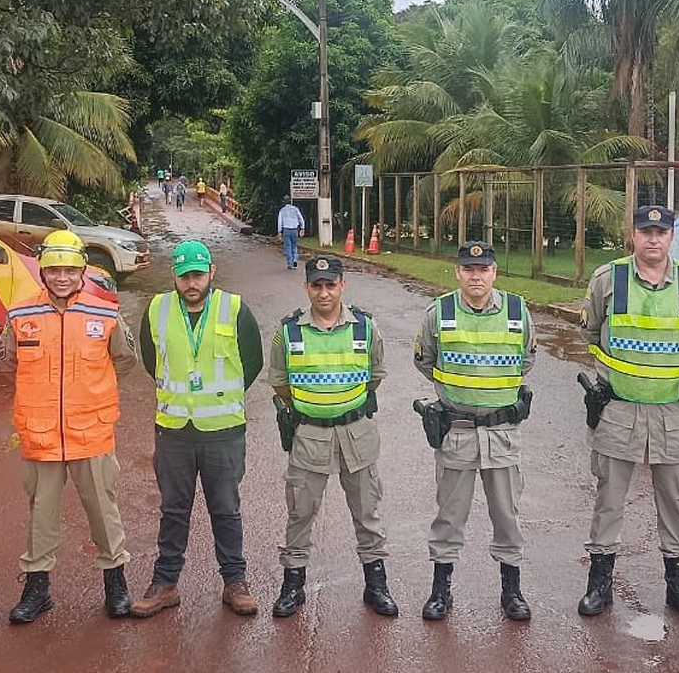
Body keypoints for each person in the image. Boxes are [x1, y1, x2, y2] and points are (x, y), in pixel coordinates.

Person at [577, 205, 679, 621]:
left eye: (661, 231)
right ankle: (599, 584)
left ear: (672, 236)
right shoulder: (608, 279)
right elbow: (588, 331)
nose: (653, 238)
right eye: (645, 231)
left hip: (674, 412)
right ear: (632, 235)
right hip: (619, 409)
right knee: (609, 500)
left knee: (675, 501)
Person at [0, 230, 139, 623]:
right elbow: (9, 364)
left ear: (82, 270)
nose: (62, 277)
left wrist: (92, 392)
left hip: (91, 433)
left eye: (70, 270)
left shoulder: (105, 313)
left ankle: (116, 584)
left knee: (103, 512)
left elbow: (124, 360)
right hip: (40, 434)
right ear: (43, 272)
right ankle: (37, 589)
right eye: (54, 270)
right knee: (41, 514)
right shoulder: (20, 316)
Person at [130, 240, 265, 618]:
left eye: (198, 275)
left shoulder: (234, 309)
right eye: (185, 275)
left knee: (226, 510)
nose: (192, 283)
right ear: (174, 275)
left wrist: (219, 397)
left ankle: (235, 582)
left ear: (211, 273)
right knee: (174, 510)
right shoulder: (157, 309)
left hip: (222, 431)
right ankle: (165, 583)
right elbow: (152, 360)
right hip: (174, 430)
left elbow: (251, 363)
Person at [270, 255, 398, 619]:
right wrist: (314, 407)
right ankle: (293, 585)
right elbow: (280, 381)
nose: (324, 292)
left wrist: (344, 404)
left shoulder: (366, 328)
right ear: (307, 287)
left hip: (357, 434)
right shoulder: (289, 331)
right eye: (317, 285)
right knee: (300, 513)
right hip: (309, 435)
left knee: (367, 513)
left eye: (331, 284)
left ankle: (376, 585)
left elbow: (377, 373)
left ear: (343, 284)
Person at [414, 241, 535, 622]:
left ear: (494, 272)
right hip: (458, 430)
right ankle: (441, 590)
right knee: (449, 515)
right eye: (469, 269)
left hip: (502, 433)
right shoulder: (439, 312)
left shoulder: (518, 311)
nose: (476, 276)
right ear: (457, 272)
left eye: (483, 269)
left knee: (507, 515)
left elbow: (527, 358)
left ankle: (511, 591)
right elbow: (425, 360)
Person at [277, 196, 306, 270]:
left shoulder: (282, 210)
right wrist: (302, 228)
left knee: (288, 247)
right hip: (294, 230)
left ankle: (290, 263)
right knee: (294, 246)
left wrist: (279, 231)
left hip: (286, 229)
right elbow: (301, 219)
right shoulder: (296, 209)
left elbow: (279, 221)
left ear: (284, 202)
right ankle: (295, 260)